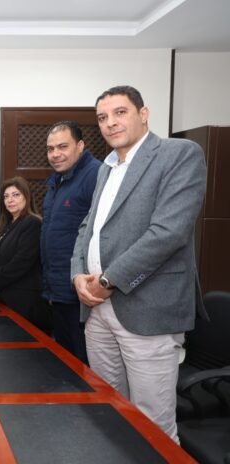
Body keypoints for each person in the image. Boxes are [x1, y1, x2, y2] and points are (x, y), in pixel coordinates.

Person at [71, 85, 207, 441]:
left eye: (120, 112)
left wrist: (108, 281)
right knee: (111, 411)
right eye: (102, 117)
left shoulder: (179, 154)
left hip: (147, 308)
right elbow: (88, 228)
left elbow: (168, 233)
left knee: (152, 424)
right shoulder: (106, 168)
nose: (110, 123)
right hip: (97, 310)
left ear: (143, 114)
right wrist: (77, 276)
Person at [41, 121, 101, 362]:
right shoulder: (57, 181)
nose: (55, 154)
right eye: (50, 149)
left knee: (83, 362)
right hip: (58, 288)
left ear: (80, 145)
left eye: (62, 147)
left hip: (82, 290)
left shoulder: (95, 174)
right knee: (65, 359)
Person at [0, 177, 51, 333]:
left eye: (16, 195)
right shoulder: (4, 225)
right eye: (6, 196)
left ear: (27, 197)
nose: (10, 200)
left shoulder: (33, 223)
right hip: (2, 296)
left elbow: (21, 263)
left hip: (24, 301)